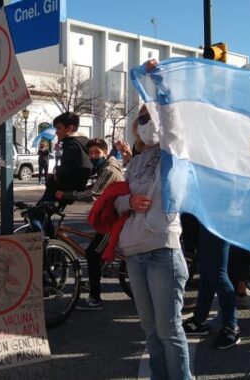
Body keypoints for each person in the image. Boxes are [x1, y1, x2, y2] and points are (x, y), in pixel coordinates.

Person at [113, 105, 191, 379]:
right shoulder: (134, 162)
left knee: (169, 330)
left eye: (152, 116)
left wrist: (160, 91)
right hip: (134, 254)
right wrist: (128, 201)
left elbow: (173, 129)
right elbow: (115, 200)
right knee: (150, 328)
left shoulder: (172, 156)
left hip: (163, 253)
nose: (146, 122)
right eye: (142, 117)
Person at [56, 138, 124, 310]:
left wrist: (66, 195)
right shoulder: (105, 167)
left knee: (92, 254)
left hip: (113, 223)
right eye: (91, 153)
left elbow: (93, 193)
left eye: (97, 153)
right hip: (109, 218)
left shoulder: (108, 170)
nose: (93, 156)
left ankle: (95, 298)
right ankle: (98, 274)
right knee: (96, 251)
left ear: (105, 152)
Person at [181, 224, 241, 350]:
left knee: (218, 274)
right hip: (207, 219)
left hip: (220, 220)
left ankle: (232, 327)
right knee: (206, 272)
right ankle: (199, 320)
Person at [39, 112, 92, 205]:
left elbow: (70, 165)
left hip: (67, 187)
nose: (56, 132)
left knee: (38, 213)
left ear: (70, 128)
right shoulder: (85, 141)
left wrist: (56, 175)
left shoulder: (70, 143)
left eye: (59, 128)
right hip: (80, 184)